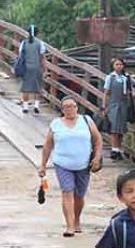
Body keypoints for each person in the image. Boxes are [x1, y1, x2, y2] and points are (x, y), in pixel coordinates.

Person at [39, 96, 102, 237]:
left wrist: (97, 157)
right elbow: (48, 146)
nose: (70, 109)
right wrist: (43, 165)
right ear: (62, 109)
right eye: (66, 107)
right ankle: (70, 225)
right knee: (67, 192)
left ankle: (77, 219)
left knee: (79, 195)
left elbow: (98, 140)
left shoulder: (86, 121)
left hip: (83, 164)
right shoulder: (56, 124)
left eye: (72, 106)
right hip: (62, 163)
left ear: (77, 107)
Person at [101, 59, 135, 160]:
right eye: (117, 64)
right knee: (114, 128)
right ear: (113, 66)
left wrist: (133, 77)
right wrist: (104, 106)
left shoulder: (126, 77)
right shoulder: (110, 77)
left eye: (121, 64)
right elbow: (106, 92)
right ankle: (114, 150)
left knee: (121, 128)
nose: (119, 66)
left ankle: (118, 149)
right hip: (113, 104)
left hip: (124, 104)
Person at [18, 24, 46, 114]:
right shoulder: (40, 43)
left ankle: (25, 107)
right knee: (37, 87)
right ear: (37, 33)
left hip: (26, 67)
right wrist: (44, 69)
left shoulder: (24, 43)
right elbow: (42, 57)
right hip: (37, 67)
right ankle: (36, 106)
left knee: (26, 87)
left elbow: (20, 55)